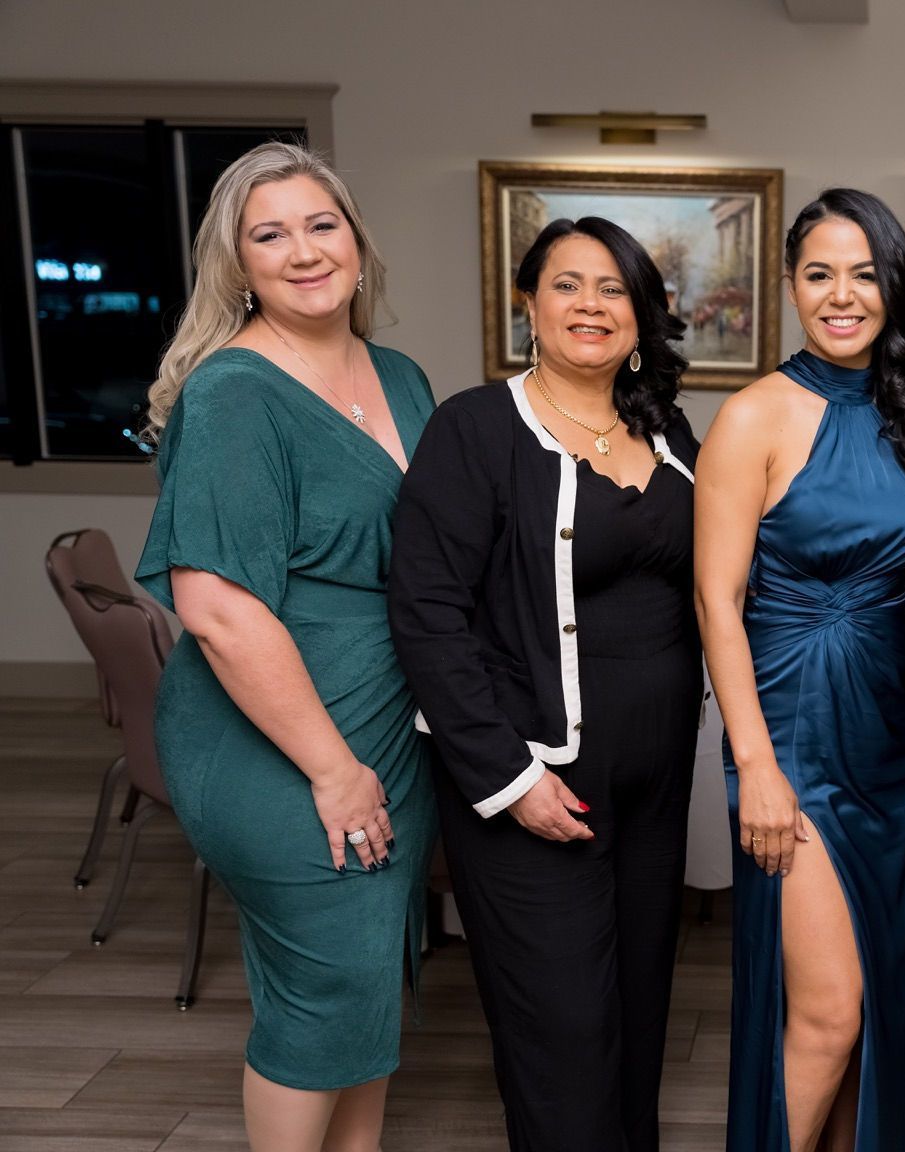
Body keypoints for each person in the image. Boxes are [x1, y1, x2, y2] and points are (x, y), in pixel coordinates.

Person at [134, 141, 433, 1152]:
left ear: (355, 240)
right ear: (238, 264)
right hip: (284, 740)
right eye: (270, 234)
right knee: (325, 987)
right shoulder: (234, 392)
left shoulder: (399, 374)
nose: (303, 251)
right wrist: (332, 769)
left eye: (321, 225)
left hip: (387, 723)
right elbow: (216, 608)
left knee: (365, 983)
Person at [388, 217, 703, 1151]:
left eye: (613, 289)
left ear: (642, 316)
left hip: (655, 784)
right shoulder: (476, 428)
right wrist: (510, 778)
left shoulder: (667, 426)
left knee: (639, 1014)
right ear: (528, 303)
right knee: (561, 1031)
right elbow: (426, 613)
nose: (591, 306)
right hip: (535, 781)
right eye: (567, 285)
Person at [694, 188, 905, 1151]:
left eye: (863, 273)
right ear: (791, 286)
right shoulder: (756, 415)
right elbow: (715, 602)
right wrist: (756, 767)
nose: (841, 295)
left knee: (882, 1007)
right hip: (795, 735)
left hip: (889, 737)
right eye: (819, 274)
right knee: (829, 1012)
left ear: (894, 286)